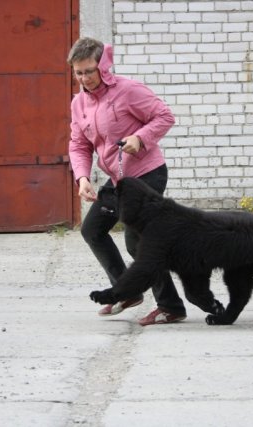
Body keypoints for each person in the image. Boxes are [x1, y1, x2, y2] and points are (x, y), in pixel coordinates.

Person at [67, 37, 187, 326]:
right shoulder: (79, 103)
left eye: (89, 71)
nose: (84, 78)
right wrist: (82, 177)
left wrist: (140, 138)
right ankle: (128, 291)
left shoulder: (128, 91)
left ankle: (171, 306)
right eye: (78, 72)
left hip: (147, 174)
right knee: (93, 229)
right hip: (118, 178)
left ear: (103, 67)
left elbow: (164, 116)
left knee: (138, 241)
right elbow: (78, 144)